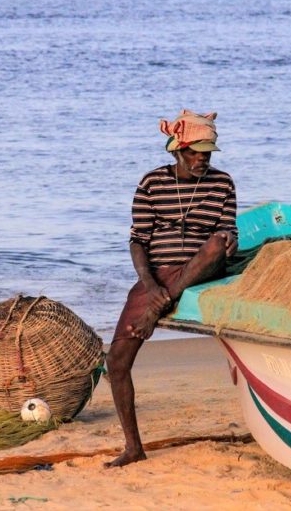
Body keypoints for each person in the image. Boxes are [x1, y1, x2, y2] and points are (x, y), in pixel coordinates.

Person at [104, 109, 238, 468]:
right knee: (115, 362)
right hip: (157, 276)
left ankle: (157, 310)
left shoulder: (222, 184)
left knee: (215, 242)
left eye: (207, 153)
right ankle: (133, 447)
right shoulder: (151, 183)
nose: (202, 159)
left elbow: (229, 235)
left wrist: (229, 244)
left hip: (203, 269)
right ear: (178, 151)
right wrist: (149, 285)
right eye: (196, 152)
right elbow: (137, 241)